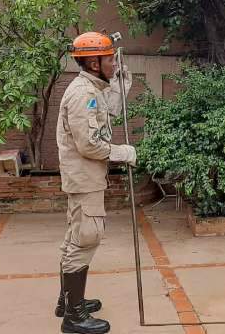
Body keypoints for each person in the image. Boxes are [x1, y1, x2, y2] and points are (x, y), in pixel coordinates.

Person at [55, 32, 137, 334]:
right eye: (108, 59)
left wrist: (120, 85)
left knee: (75, 238)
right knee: (85, 239)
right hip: (84, 179)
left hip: (86, 178)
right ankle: (74, 317)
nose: (113, 62)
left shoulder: (93, 88)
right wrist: (123, 153)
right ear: (93, 62)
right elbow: (89, 144)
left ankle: (68, 302)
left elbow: (109, 112)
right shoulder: (82, 94)